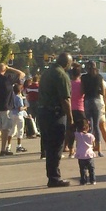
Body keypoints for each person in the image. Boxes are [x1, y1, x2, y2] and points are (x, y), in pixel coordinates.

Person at [37, 51, 73, 186]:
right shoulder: (61, 75)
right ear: (67, 63)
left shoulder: (47, 72)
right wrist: (70, 119)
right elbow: (65, 99)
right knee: (56, 146)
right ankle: (54, 178)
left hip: (43, 112)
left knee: (49, 146)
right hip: (55, 114)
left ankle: (52, 175)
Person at [0, 62, 24, 156]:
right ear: (5, 69)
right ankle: (3, 149)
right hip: (6, 107)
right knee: (5, 129)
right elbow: (22, 74)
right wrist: (9, 68)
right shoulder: (8, 79)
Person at [81, 61, 105, 152]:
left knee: (89, 125)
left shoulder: (83, 77)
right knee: (96, 126)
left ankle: (89, 147)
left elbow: (82, 91)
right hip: (97, 100)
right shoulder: (99, 77)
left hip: (87, 100)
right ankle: (99, 149)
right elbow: (102, 90)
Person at [74, 117, 97, 185]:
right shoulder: (91, 136)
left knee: (82, 169)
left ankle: (83, 181)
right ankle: (93, 180)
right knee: (91, 169)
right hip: (89, 155)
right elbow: (94, 144)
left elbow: (73, 133)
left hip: (81, 155)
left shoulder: (77, 135)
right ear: (88, 127)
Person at [9, 81, 28, 153]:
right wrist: (25, 107)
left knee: (12, 130)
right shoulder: (19, 98)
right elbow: (20, 108)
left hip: (12, 114)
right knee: (20, 130)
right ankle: (19, 146)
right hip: (19, 114)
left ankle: (8, 146)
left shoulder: (11, 97)